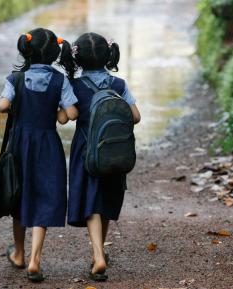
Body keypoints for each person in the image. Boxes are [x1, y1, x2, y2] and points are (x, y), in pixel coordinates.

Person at [0, 27, 78, 282]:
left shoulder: (15, 79)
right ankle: (35, 260)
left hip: (20, 144)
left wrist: (15, 106)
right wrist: (56, 115)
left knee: (20, 195)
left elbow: (2, 106)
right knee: (43, 196)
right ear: (55, 53)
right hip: (47, 146)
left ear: (26, 50)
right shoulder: (59, 80)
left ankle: (19, 253)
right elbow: (71, 114)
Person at [66, 32, 141, 281]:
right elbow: (136, 116)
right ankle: (99, 254)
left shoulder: (75, 86)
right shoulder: (118, 85)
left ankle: (98, 256)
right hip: (114, 151)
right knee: (107, 200)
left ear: (78, 59)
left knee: (91, 203)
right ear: (109, 55)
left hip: (86, 150)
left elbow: (70, 116)